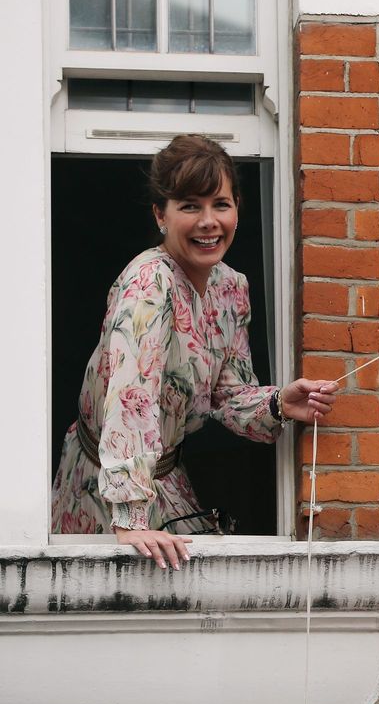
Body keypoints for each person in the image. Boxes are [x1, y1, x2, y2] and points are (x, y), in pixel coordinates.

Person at [50, 135, 336, 568]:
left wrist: (279, 404)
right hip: (107, 483)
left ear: (237, 207)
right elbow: (133, 398)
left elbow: (229, 395)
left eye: (220, 204)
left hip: (165, 474)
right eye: (189, 206)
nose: (208, 222)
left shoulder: (231, 287)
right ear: (160, 214)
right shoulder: (148, 285)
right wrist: (129, 521)